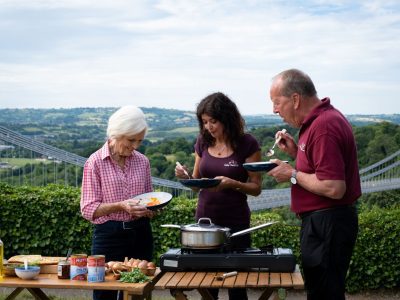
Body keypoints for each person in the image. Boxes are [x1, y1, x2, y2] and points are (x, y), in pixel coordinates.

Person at [266, 69, 361, 300]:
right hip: (326, 222)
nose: (274, 110)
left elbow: (334, 188)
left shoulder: (323, 127)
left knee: (324, 294)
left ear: (296, 99)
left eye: (277, 102)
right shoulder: (319, 121)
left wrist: (292, 174)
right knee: (322, 290)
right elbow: (319, 169)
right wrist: (295, 152)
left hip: (327, 222)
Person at [175, 92, 262, 300]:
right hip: (205, 223)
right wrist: (185, 176)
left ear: (227, 118)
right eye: (204, 122)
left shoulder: (247, 143)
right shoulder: (203, 142)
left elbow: (256, 187)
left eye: (213, 121)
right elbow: (196, 184)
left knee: (237, 285)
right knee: (207, 283)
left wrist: (234, 184)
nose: (208, 127)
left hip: (237, 223)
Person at [81, 106, 155, 300]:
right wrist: (121, 205)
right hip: (109, 236)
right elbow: (88, 209)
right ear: (117, 134)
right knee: (105, 294)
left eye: (139, 140)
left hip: (141, 233)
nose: (136, 146)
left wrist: (151, 210)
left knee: (139, 292)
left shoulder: (143, 161)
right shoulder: (94, 162)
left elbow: (150, 199)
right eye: (131, 140)